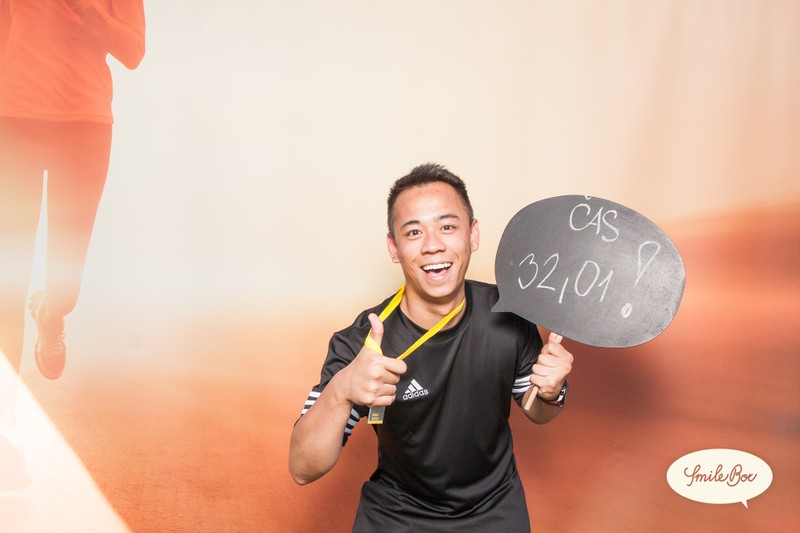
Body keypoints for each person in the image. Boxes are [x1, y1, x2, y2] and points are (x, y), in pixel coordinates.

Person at [289, 163, 574, 531]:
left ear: (473, 234)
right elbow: (302, 469)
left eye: (447, 227)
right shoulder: (364, 341)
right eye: (413, 232)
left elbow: (538, 411)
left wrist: (551, 392)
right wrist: (342, 390)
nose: (433, 245)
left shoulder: (508, 315)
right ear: (394, 247)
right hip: (397, 515)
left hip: (494, 510)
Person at [0, 0, 145, 490]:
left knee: (65, 288)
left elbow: (133, 50)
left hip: (83, 126)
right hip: (12, 118)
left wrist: (89, 12)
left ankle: (51, 314)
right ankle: (5, 426)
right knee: (6, 283)